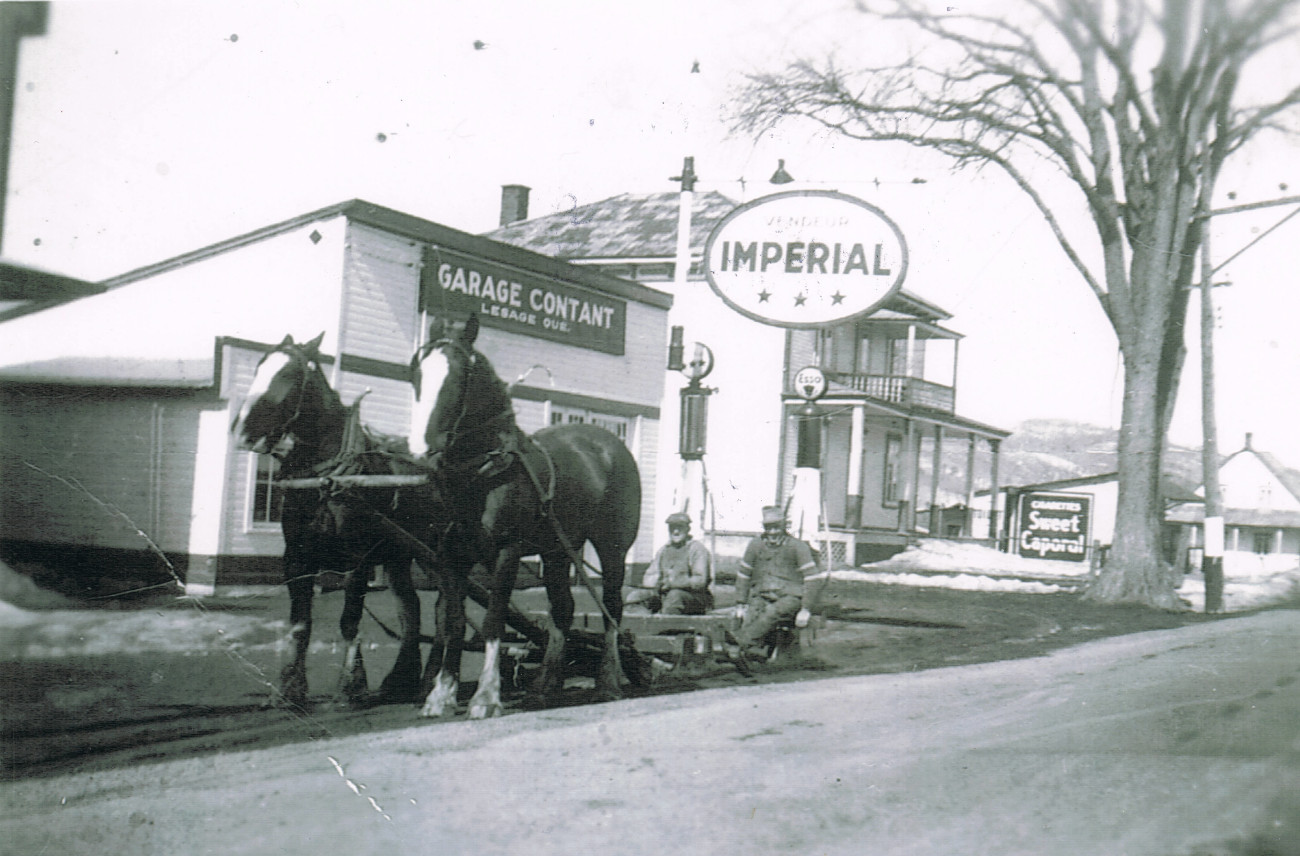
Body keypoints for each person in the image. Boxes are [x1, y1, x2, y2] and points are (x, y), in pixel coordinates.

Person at [727, 505, 823, 669]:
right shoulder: (755, 545)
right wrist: (740, 603)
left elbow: (812, 579)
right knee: (752, 612)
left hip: (791, 597)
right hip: (762, 594)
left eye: (776, 527)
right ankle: (751, 654)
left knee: (772, 612)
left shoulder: (797, 547)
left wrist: (806, 609)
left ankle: (738, 643)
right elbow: (744, 575)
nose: (772, 532)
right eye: (768, 528)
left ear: (784, 526)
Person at [625, 512, 713, 615]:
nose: (675, 531)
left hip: (695, 599)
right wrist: (657, 582)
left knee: (674, 596)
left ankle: (664, 628)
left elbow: (700, 581)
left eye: (680, 527)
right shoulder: (663, 551)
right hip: (665, 596)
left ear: (687, 529)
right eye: (672, 528)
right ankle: (637, 626)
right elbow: (649, 576)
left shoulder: (696, 549)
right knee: (636, 596)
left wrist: (672, 583)